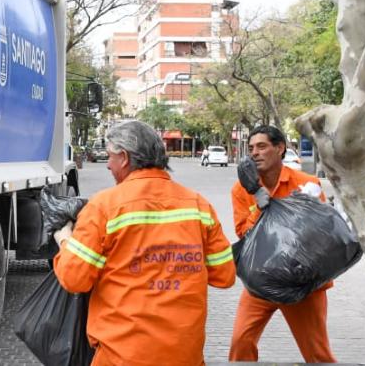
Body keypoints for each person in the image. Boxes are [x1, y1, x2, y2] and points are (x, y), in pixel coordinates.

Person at [53, 120, 236, 366]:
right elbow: (224, 276)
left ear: (125, 158)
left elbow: (75, 279)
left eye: (109, 157)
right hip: (185, 355)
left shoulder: (105, 206)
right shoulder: (198, 205)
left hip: (122, 355)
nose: (107, 164)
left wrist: (65, 240)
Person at [228, 125, 337, 363]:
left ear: (280, 148)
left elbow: (320, 231)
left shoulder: (305, 183)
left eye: (262, 146)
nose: (255, 153)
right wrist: (258, 202)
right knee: (240, 342)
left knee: (317, 353)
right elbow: (243, 233)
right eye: (251, 148)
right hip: (262, 281)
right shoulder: (242, 189)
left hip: (303, 286)